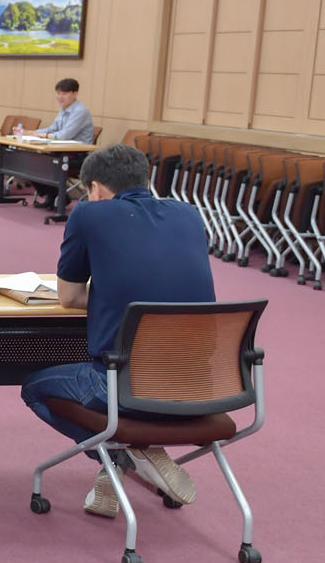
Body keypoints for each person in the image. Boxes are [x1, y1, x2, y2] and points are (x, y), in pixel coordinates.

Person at [20, 144, 209, 517]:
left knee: (34, 388)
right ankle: (124, 461)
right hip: (199, 385)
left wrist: (111, 296)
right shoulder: (189, 214)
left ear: (96, 189)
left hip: (124, 385)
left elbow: (69, 296)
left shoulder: (90, 214)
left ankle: (123, 454)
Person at [30, 78, 96, 209]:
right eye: (58, 93)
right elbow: (53, 128)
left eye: (64, 93)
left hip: (78, 155)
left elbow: (64, 135)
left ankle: (60, 198)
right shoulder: (63, 110)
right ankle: (53, 196)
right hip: (61, 152)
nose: (60, 97)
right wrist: (32, 132)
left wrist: (44, 135)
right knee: (33, 161)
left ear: (75, 93)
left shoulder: (80, 111)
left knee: (45, 164)